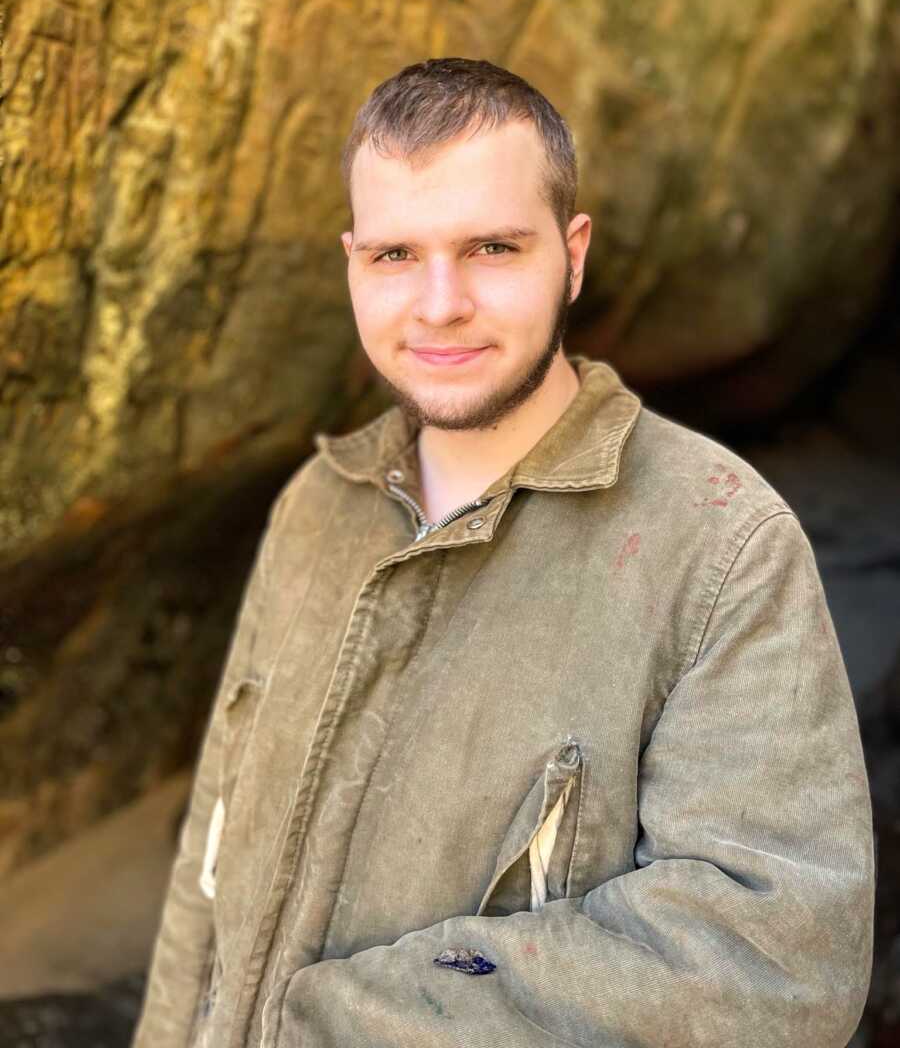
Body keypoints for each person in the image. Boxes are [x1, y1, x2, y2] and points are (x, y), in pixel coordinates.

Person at [133, 58, 874, 1048]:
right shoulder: (317, 506)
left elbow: (772, 961)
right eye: (395, 255)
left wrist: (326, 1023)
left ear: (571, 255)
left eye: (490, 246)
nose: (439, 304)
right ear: (351, 260)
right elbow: (208, 873)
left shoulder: (722, 543)